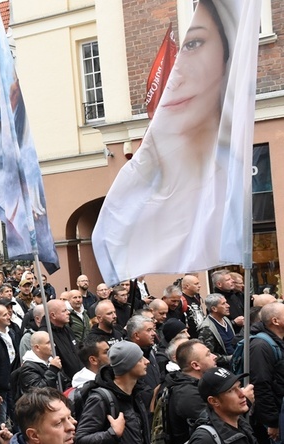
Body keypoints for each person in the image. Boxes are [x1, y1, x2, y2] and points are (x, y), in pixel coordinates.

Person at [92, 0, 237, 284]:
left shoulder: (232, 159)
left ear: (226, 47)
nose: (178, 75)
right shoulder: (154, 185)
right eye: (188, 45)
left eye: (195, 44)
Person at [74, 341, 158, 444]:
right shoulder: (101, 399)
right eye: (140, 359)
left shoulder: (136, 396)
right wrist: (112, 434)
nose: (147, 361)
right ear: (128, 366)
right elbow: (80, 440)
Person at [248, 302, 284, 444]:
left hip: (280, 412)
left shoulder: (278, 340)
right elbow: (261, 386)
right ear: (275, 321)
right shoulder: (261, 345)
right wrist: (271, 422)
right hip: (276, 416)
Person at [13, 330, 62, 395]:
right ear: (37, 347)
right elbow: (37, 391)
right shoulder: (28, 368)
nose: (54, 345)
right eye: (48, 343)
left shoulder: (50, 361)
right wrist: (53, 370)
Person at [197, 293, 236, 367]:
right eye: (223, 304)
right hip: (222, 367)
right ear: (214, 308)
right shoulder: (206, 328)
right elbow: (207, 354)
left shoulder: (226, 320)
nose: (228, 305)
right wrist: (228, 358)